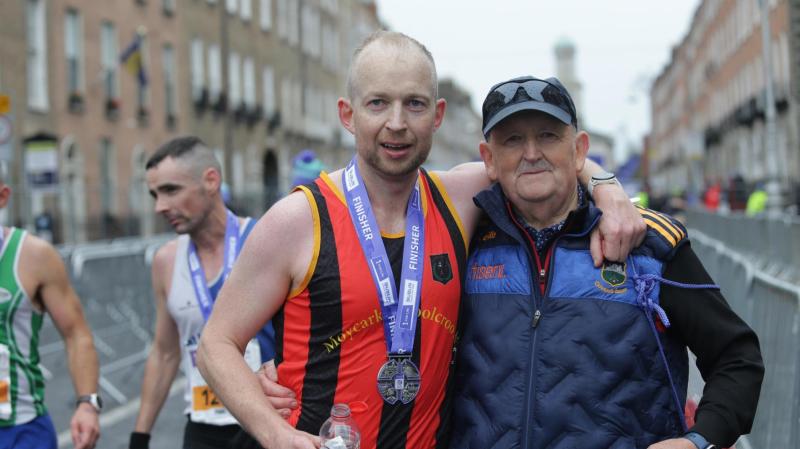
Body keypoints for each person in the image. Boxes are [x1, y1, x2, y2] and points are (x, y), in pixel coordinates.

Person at [196, 31, 645, 449]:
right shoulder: (298, 219)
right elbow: (216, 345)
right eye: (377, 104)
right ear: (348, 115)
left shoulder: (459, 198)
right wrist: (273, 433)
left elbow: (541, 157)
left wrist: (608, 188)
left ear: (438, 115)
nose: (397, 123)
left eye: (414, 104)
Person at [450, 76, 764, 449]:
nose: (531, 152)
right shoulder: (462, 241)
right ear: (489, 158)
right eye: (512, 140)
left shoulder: (650, 246)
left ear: (579, 150)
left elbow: (737, 355)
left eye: (549, 136)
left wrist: (700, 440)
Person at [129, 137, 275, 449]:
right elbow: (165, 352)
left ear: (211, 180)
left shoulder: (265, 241)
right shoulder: (166, 261)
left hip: (270, 422)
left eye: (171, 190)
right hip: (203, 427)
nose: (160, 206)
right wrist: (139, 436)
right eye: (154, 194)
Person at [0, 162, 101, 449]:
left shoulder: (34, 256)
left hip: (19, 430)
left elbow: (76, 334)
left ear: (3, 196)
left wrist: (87, 403)